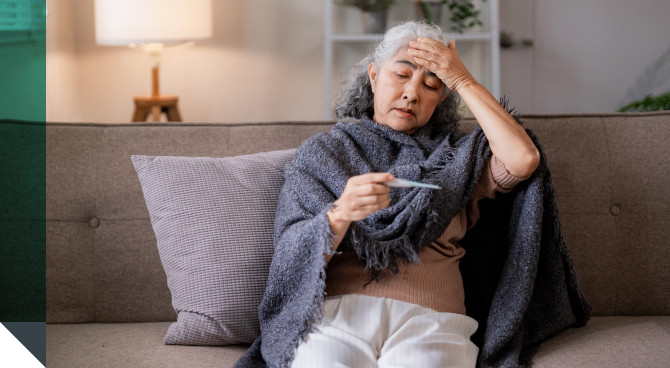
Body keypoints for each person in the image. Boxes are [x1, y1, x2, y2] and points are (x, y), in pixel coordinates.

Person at [236, 21, 590, 368]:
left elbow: (523, 159)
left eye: (432, 84)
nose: (412, 93)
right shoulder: (323, 153)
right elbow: (289, 252)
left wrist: (463, 79)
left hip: (433, 321)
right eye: (401, 75)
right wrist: (340, 214)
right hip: (334, 318)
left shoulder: (458, 159)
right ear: (374, 76)